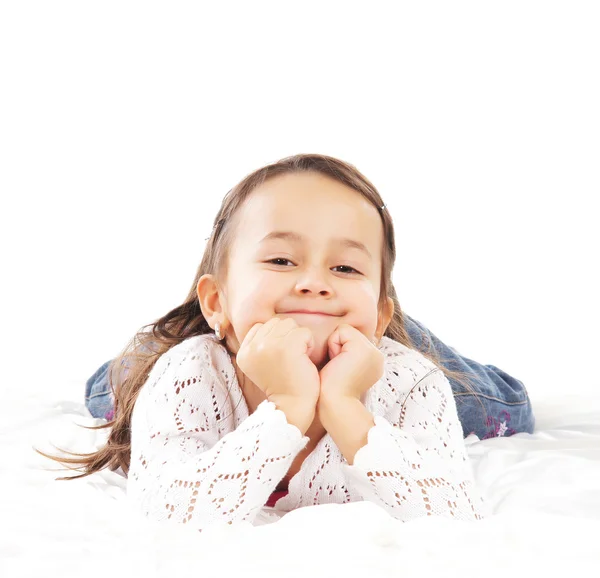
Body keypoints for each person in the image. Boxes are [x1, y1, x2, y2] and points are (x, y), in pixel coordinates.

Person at [37, 153, 534, 531]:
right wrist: (291, 404)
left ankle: (353, 300)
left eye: (345, 266)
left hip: (375, 344)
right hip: (203, 337)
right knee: (123, 380)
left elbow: (455, 515)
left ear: (382, 317)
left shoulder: (409, 380)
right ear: (216, 300)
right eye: (280, 260)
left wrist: (343, 404)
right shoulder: (187, 374)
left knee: (498, 405)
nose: (315, 281)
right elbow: (170, 515)